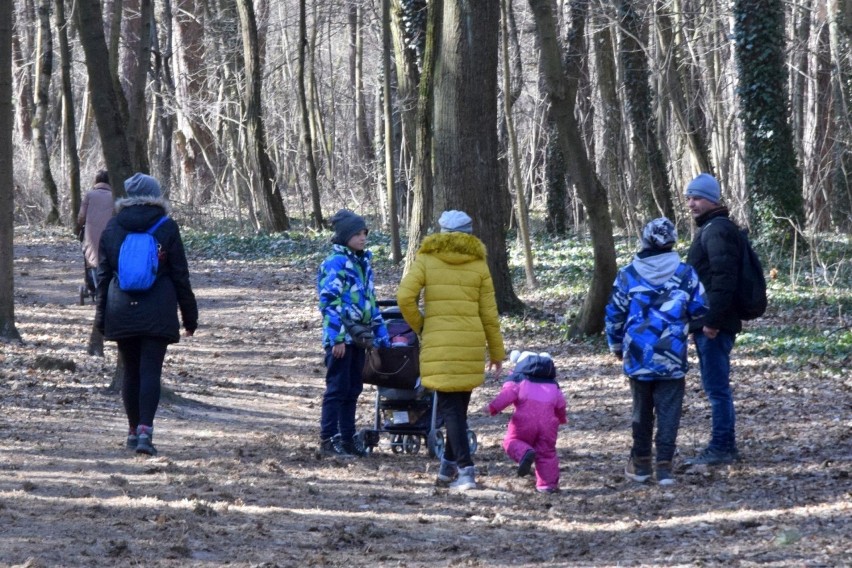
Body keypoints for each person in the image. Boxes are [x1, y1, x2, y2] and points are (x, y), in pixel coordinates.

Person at [397, 210, 505, 491]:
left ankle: (466, 471)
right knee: (457, 409)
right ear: (470, 234)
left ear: (441, 232)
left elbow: (405, 297)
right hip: (470, 344)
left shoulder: (427, 260)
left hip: (439, 344)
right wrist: (496, 352)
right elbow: (489, 314)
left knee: (452, 410)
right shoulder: (479, 265)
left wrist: (421, 326)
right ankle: (447, 469)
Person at [95, 173, 198, 456]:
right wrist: (190, 318)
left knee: (130, 371)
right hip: (158, 309)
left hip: (120, 308)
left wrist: (101, 318)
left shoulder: (113, 227)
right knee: (150, 370)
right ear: (155, 195)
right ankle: (145, 433)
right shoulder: (167, 227)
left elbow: (102, 277)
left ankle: (130, 432)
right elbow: (180, 275)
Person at [605, 218, 709, 485]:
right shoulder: (686, 274)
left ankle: (640, 464)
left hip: (638, 354)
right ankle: (664, 466)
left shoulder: (628, 275)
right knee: (669, 410)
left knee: (641, 409)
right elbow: (700, 309)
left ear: (645, 240)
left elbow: (614, 313)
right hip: (672, 353)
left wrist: (616, 345)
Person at [317, 209, 390, 457]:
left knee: (353, 388)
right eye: (357, 234)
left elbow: (370, 300)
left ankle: (348, 438)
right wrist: (336, 338)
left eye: (364, 233)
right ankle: (328, 438)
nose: (362, 238)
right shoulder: (335, 263)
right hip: (341, 339)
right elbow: (329, 302)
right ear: (344, 235)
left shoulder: (363, 262)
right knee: (337, 388)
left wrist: (380, 332)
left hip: (360, 338)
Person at [684, 173, 744, 466]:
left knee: (717, 388)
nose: (691, 203)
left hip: (714, 325)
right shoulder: (712, 228)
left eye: (697, 198)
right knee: (715, 386)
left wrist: (712, 321)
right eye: (689, 198)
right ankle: (723, 444)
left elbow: (723, 279)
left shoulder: (717, 231)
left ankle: (723, 446)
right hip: (711, 322)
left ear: (713, 199)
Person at [483, 350, 566, 493]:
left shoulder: (518, 380)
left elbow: (507, 396)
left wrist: (492, 408)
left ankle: (524, 453)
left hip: (524, 420)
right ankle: (547, 486)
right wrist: (561, 418)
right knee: (546, 453)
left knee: (512, 441)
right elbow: (561, 404)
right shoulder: (553, 385)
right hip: (548, 424)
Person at [76, 170, 115, 300]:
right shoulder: (114, 196)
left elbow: (81, 216)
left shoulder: (89, 195)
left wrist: (80, 226)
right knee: (108, 259)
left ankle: (97, 288)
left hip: (91, 233)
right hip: (110, 232)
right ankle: (108, 288)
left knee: (92, 260)